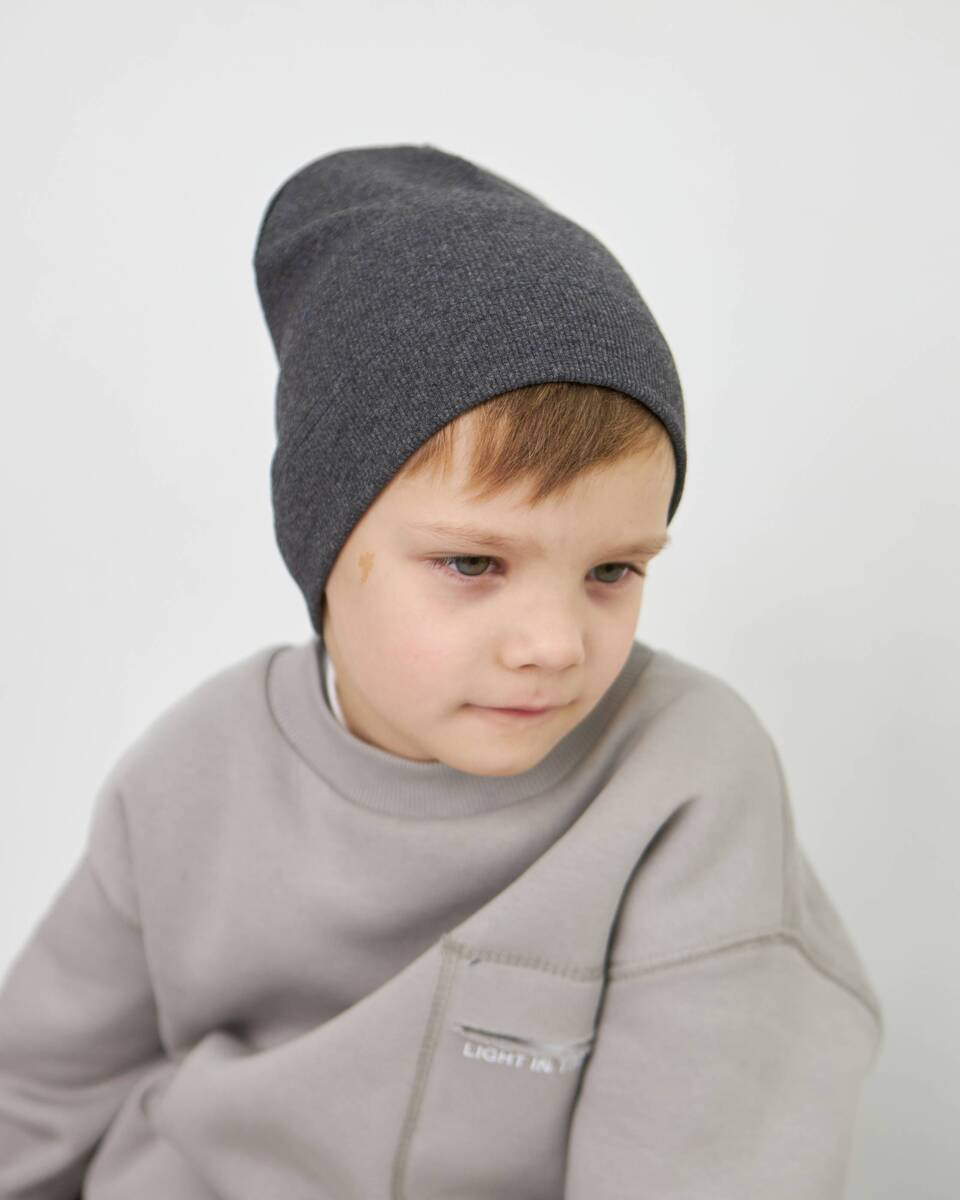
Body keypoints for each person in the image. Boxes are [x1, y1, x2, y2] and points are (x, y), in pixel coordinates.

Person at [0, 144, 883, 1199]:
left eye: (612, 571)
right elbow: (36, 1094)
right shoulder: (192, 770)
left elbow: (709, 1161)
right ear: (327, 550)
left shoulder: (684, 780)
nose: (555, 644)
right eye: (473, 564)